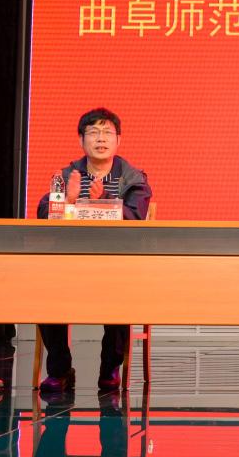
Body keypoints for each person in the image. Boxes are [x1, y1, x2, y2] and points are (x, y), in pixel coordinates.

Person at [35, 107, 152, 393]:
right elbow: (42, 213)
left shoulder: (134, 179)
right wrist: (66, 200)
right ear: (81, 140)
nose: (101, 138)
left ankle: (110, 368)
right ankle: (60, 369)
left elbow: (136, 216)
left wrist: (105, 201)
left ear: (118, 140)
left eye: (107, 132)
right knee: (45, 291)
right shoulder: (67, 176)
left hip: (116, 264)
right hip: (71, 263)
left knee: (121, 295)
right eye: (93, 132)